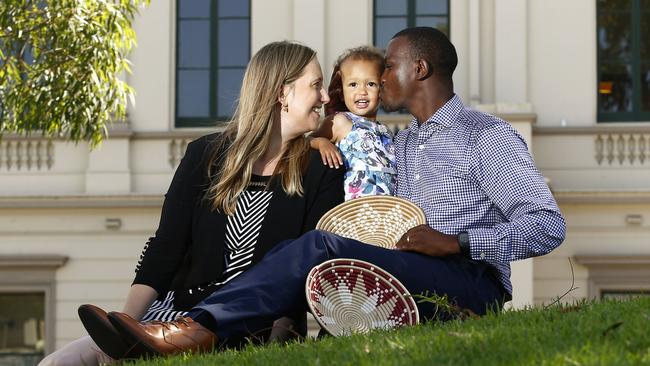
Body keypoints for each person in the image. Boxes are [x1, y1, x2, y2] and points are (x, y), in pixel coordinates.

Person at [80, 27, 566, 359]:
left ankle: (193, 330)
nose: (376, 78)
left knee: (317, 244)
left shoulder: (485, 135)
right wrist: (315, 136)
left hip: (466, 282)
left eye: (387, 67)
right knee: (323, 248)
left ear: (419, 69)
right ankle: (189, 328)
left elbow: (546, 225)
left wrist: (458, 243)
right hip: (402, 279)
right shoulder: (396, 144)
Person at [38, 41, 343, 365]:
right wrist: (123, 328)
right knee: (57, 363)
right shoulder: (205, 155)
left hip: (251, 327)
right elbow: (165, 248)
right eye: (316, 85)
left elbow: (309, 270)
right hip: (171, 317)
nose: (325, 98)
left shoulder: (322, 169)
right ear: (282, 93)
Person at [310, 46, 396, 200]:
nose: (362, 91)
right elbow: (304, 142)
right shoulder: (340, 121)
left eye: (370, 84)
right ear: (341, 92)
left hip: (386, 213)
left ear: (382, 89)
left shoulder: (386, 131)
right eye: (353, 85)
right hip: (353, 213)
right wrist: (321, 142)